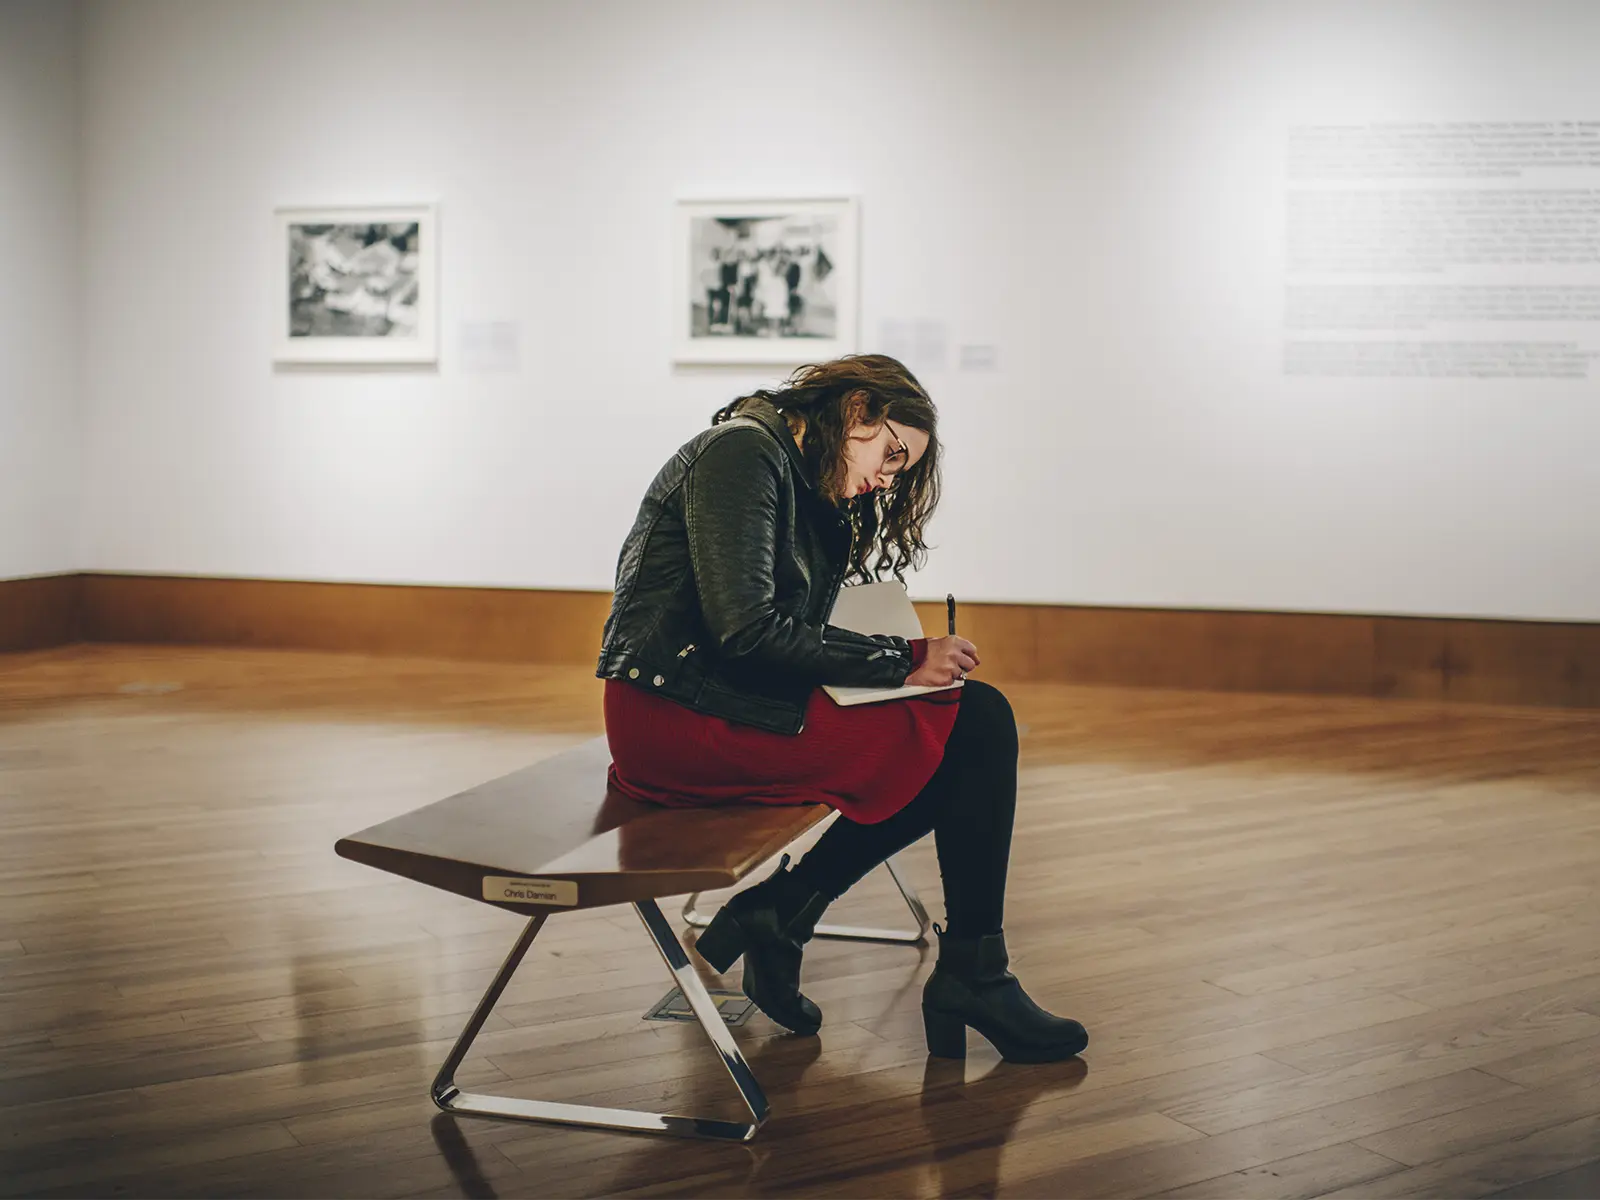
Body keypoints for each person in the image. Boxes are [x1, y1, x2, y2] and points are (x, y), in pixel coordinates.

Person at [597, 355, 1087, 1063]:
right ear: (857, 408)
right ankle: (956, 971)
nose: (889, 477)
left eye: (901, 468)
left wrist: (897, 663)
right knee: (973, 726)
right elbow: (745, 629)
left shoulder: (796, 473)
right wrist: (899, 660)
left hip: (723, 698)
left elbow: (782, 629)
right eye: (891, 453)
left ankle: (794, 918)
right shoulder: (742, 453)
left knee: (962, 727)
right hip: (675, 716)